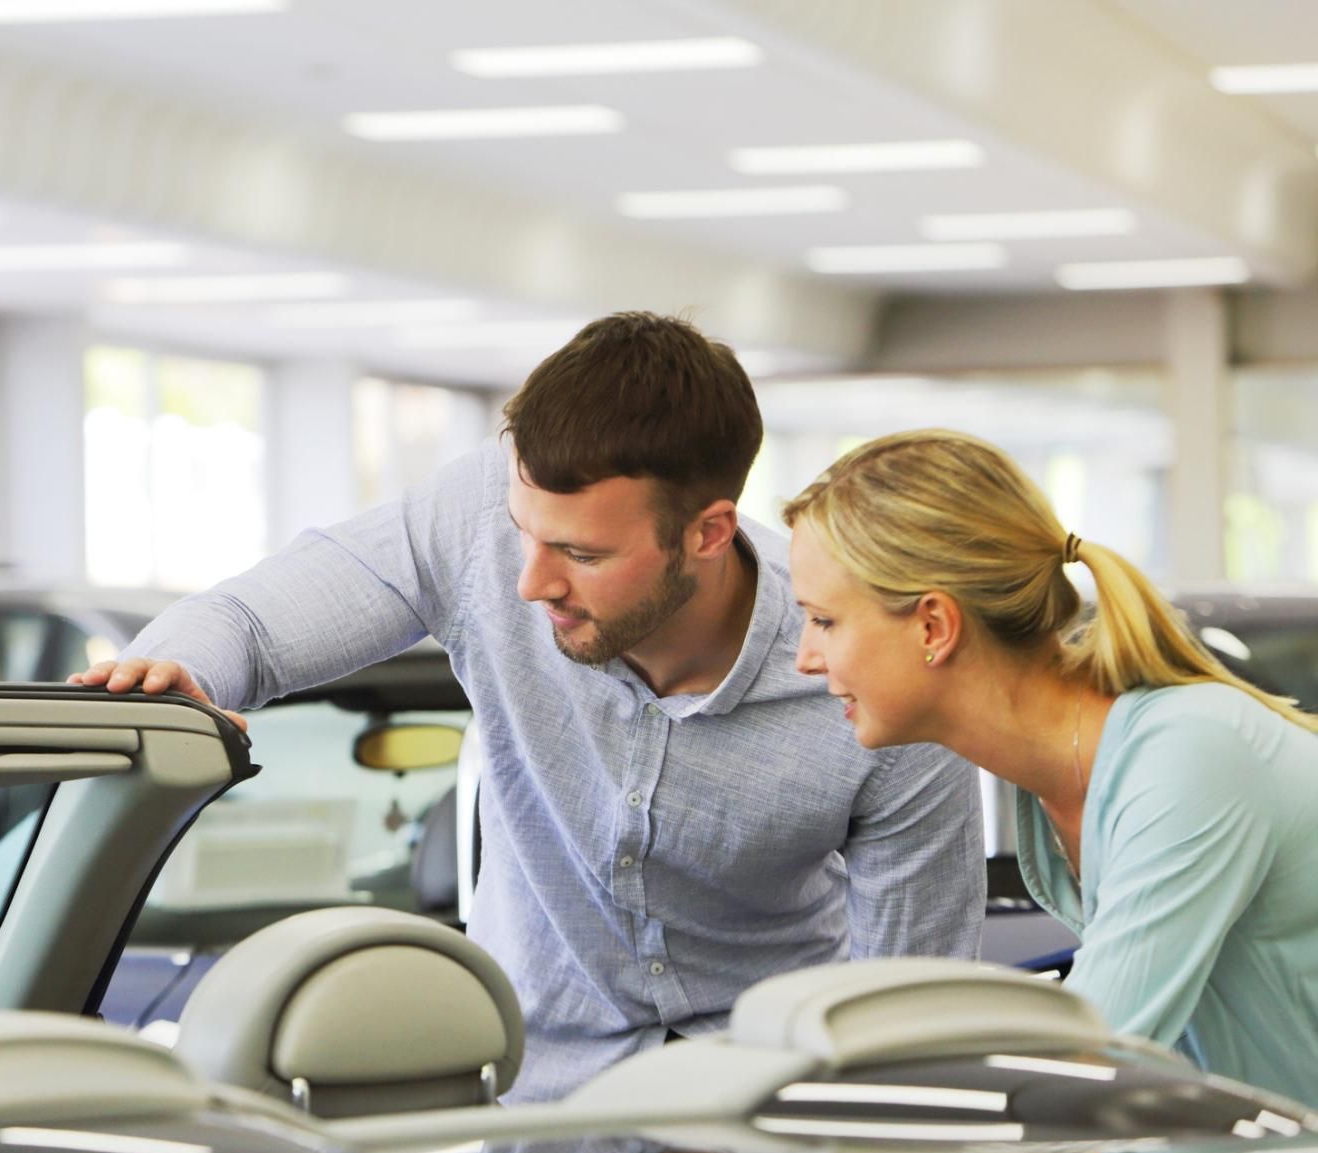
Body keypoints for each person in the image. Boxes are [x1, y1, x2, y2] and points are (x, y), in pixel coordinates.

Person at [73, 312, 985, 1102]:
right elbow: (250, 624)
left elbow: (909, 1010)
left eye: (583, 555)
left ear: (708, 532)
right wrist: (174, 672)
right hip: (536, 1114)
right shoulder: (477, 515)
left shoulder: (873, 683)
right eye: (523, 534)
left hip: (765, 1119)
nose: (529, 582)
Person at [784, 427, 1318, 1105]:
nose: (804, 659)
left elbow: (1085, 1060)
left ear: (933, 627)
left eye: (824, 621)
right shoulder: (1056, 783)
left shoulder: (1190, 756)